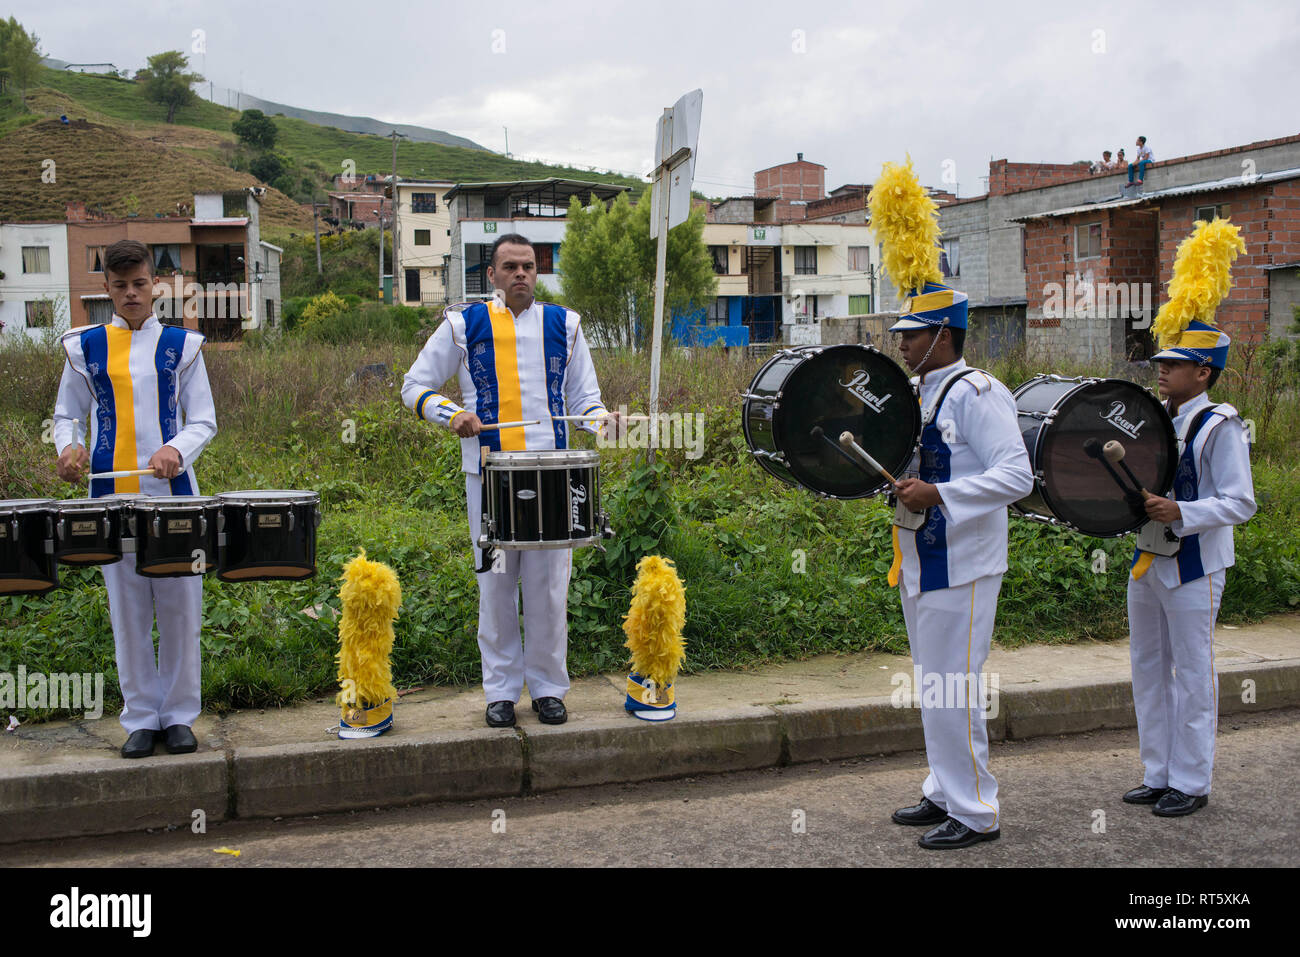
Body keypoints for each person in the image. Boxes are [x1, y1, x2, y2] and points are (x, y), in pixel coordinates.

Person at [867, 160, 1034, 850]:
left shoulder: (978, 393)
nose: (900, 342)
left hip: (963, 564)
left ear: (943, 336)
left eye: (911, 333)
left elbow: (1016, 474)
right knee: (934, 684)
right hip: (920, 561)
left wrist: (941, 494)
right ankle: (943, 788)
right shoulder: (923, 394)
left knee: (955, 687)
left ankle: (975, 810)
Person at [401, 234, 619, 728]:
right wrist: (451, 414)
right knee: (496, 585)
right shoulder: (463, 324)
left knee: (549, 588)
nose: (520, 274)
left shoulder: (565, 324)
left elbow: (585, 399)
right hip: (490, 475)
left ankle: (547, 689)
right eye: (510, 266)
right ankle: (499, 691)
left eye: (528, 266)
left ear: (536, 274)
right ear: (492, 275)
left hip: (555, 475)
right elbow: (414, 386)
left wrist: (604, 420)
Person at [52, 239, 217, 758]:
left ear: (155, 284)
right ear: (106, 288)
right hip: (110, 495)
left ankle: (180, 717)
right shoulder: (85, 347)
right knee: (127, 612)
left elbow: (204, 421)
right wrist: (69, 447)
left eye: (139, 283)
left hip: (174, 497)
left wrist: (176, 449)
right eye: (120, 285)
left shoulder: (182, 346)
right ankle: (141, 718)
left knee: (179, 608)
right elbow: (65, 415)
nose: (131, 293)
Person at [1125, 219, 1255, 817]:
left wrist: (1184, 510)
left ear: (1202, 372)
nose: (1162, 369)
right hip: (1147, 560)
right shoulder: (1158, 416)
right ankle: (1158, 771)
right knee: (1148, 670)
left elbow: (1240, 502)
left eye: (1174, 364)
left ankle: (1192, 781)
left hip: (1196, 565)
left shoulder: (1219, 424)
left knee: (1193, 676)